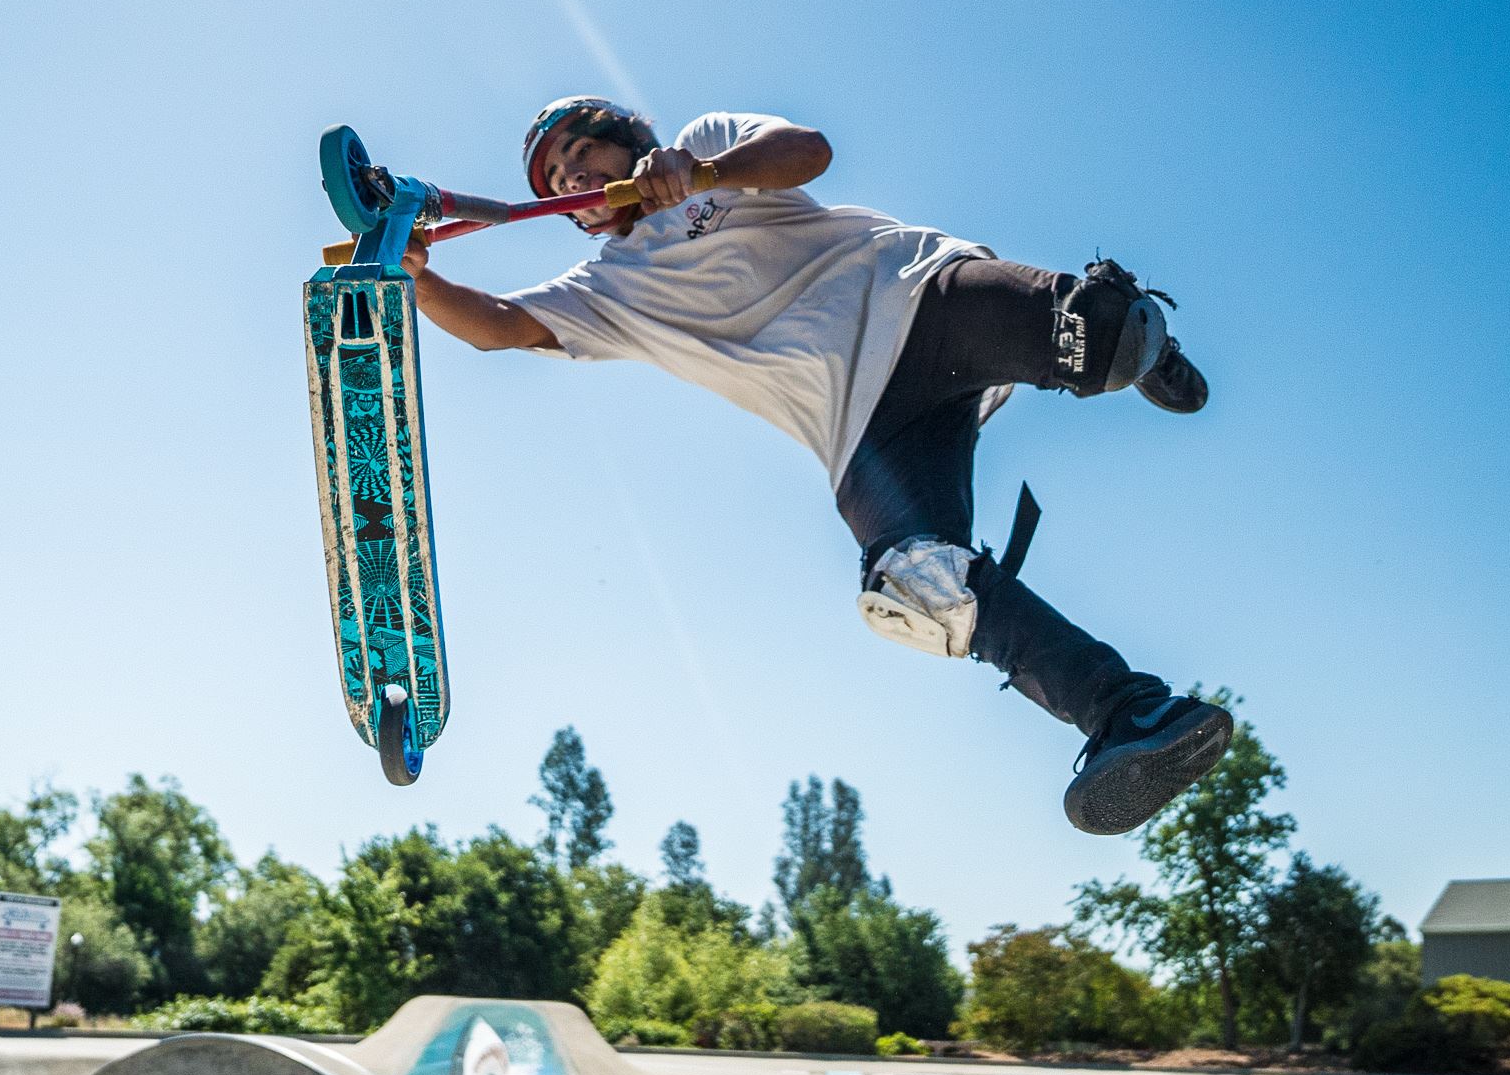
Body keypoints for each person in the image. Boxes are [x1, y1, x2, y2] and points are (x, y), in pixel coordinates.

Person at [396, 98, 1234, 834]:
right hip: (866, 425)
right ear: (569, 213)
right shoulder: (604, 291)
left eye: (581, 150)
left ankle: (1135, 340)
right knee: (918, 586)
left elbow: (810, 152)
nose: (572, 171)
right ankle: (1129, 712)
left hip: (920, 298)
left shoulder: (710, 149)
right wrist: (419, 282)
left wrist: (702, 172)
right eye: (555, 178)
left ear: (625, 137)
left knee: (1098, 331)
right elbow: (501, 322)